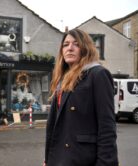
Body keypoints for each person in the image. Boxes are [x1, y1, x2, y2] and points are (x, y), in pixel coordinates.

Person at [43, 29, 118, 166]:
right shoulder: (62, 79)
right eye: (65, 45)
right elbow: (54, 126)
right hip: (58, 159)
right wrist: (48, 159)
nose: (69, 48)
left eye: (76, 44)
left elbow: (107, 126)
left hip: (82, 159)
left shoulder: (98, 74)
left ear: (86, 48)